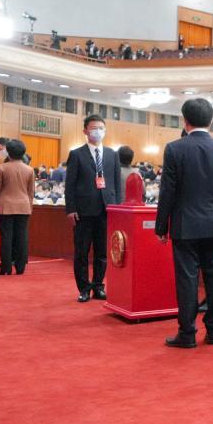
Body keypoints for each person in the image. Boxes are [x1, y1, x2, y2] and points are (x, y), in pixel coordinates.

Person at [155, 98, 213, 349]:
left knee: (187, 280)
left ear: (185, 121)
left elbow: (167, 191)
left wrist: (161, 227)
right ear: (211, 120)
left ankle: (187, 333)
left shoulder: (174, 149)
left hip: (185, 225)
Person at [65, 115, 124, 303]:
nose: (97, 131)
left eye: (100, 128)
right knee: (81, 252)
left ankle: (98, 286)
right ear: (85, 131)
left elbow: (117, 183)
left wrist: (117, 208)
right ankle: (84, 288)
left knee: (102, 252)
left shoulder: (112, 154)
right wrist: (70, 208)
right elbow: (70, 184)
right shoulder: (76, 154)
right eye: (93, 128)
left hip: (106, 210)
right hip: (83, 211)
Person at [0, 139, 34, 275]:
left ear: (8, 152)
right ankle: (20, 268)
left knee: (6, 237)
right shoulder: (29, 169)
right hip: (24, 206)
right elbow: (30, 192)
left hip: (5, 206)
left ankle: (6, 268)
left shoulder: (2, 168)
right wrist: (29, 206)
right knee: (22, 236)